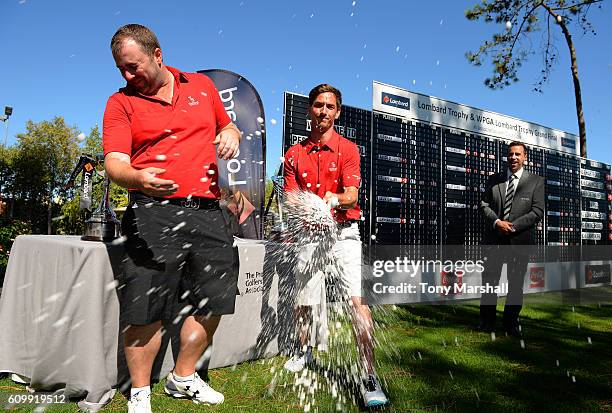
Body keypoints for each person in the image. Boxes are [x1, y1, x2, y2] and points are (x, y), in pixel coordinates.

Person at [103, 24, 241, 413]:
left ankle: (183, 377)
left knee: (214, 301)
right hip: (151, 214)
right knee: (145, 309)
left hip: (210, 213)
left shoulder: (200, 86)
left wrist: (232, 132)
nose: (128, 76)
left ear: (158, 55)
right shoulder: (120, 103)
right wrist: (137, 178)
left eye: (133, 67)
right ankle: (140, 394)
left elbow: (226, 124)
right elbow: (115, 162)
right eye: (121, 70)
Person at [282, 84, 388, 407]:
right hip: (309, 236)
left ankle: (369, 374)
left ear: (337, 112)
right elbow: (289, 199)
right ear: (309, 110)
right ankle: (305, 350)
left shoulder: (349, 149)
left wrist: (334, 200)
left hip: (344, 233)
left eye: (329, 106)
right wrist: (307, 211)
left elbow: (353, 195)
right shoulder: (293, 154)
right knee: (304, 299)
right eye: (317, 105)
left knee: (358, 302)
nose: (323, 111)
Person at [478, 141, 544, 337]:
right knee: (489, 282)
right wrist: (498, 222)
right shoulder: (494, 179)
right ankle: (486, 322)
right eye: (510, 154)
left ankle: (510, 323)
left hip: (519, 242)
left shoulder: (536, 181)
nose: (513, 157)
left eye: (517, 154)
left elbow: (537, 211)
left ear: (525, 157)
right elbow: (483, 205)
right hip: (494, 240)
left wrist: (512, 226)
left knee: (515, 284)